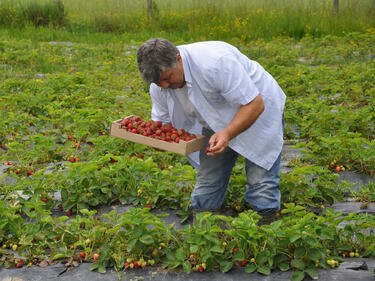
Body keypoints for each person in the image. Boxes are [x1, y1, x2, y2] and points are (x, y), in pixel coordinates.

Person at [137, 38, 286, 224]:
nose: (165, 86)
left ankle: (265, 225)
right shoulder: (159, 86)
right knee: (209, 178)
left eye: (168, 78)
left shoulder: (215, 63)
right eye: (160, 83)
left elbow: (255, 104)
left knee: (261, 180)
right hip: (213, 120)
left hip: (256, 108)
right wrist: (156, 142)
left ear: (178, 59)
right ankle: (204, 225)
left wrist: (227, 133)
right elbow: (163, 125)